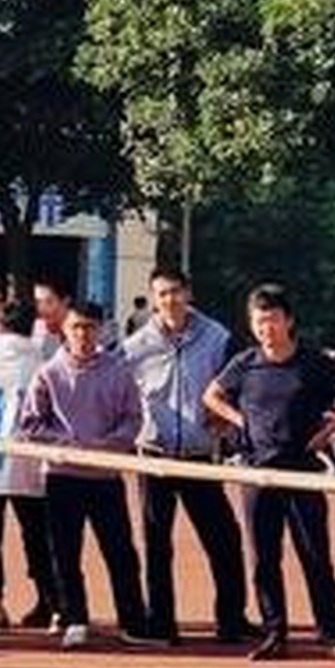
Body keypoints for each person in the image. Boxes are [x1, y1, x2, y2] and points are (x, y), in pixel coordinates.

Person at [204, 283, 335, 662]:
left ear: (288, 321)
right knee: (264, 558)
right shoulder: (245, 363)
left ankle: (333, 635)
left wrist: (329, 431)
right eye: (260, 321)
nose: (267, 328)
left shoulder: (312, 362)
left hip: (302, 474)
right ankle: (275, 632)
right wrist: (239, 421)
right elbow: (211, 395)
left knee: (315, 557)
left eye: (273, 319)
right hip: (258, 475)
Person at [123, 267, 254, 644]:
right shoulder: (137, 344)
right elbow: (119, 389)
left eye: (176, 291)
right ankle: (161, 622)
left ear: (189, 292)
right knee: (157, 543)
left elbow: (234, 385)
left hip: (199, 454)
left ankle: (232, 619)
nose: (170, 300)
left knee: (224, 540)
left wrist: (226, 423)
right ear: (152, 298)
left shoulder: (217, 337)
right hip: (154, 455)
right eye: (161, 294)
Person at [19, 301, 157, 649]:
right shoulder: (48, 372)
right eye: (77, 327)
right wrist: (66, 444)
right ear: (65, 329)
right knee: (64, 553)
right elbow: (31, 425)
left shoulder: (119, 371)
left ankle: (133, 623)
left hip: (106, 478)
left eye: (90, 328)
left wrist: (108, 445)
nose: (83, 334)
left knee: (121, 552)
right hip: (62, 477)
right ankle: (74, 619)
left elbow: (132, 419)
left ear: (102, 331)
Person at [0, 297, 58, 634]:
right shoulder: (43, 361)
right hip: (31, 463)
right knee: (37, 535)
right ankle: (51, 602)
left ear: (0, 325)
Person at [29, 279, 70, 362]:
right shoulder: (36, 328)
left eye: (49, 302)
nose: (42, 309)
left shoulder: (81, 330)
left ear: (65, 301)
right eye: (38, 302)